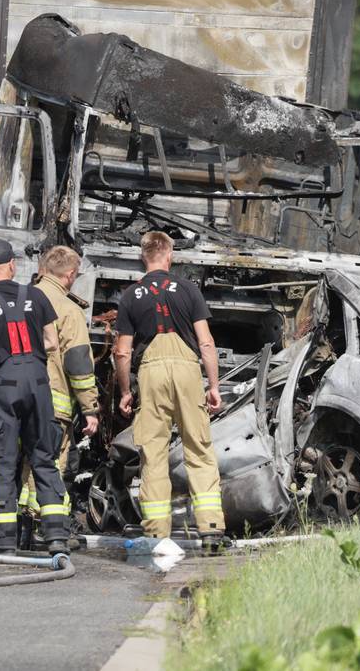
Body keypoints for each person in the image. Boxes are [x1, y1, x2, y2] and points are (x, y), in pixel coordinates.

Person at [112, 231, 226, 550]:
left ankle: (156, 534)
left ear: (143, 256)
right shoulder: (189, 289)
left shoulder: (131, 296)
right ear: (170, 255)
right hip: (188, 370)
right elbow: (205, 342)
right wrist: (213, 385)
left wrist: (125, 390)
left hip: (151, 372)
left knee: (154, 453)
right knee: (199, 448)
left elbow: (122, 352)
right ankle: (212, 529)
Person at [0, 239, 70, 555]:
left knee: (1, 460)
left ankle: (1, 540)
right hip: (38, 384)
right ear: (12, 265)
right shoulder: (36, 296)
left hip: (4, 385)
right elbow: (52, 341)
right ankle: (56, 537)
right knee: (44, 457)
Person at [19, 246, 100, 535]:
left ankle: (22, 524)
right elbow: (78, 363)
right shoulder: (68, 309)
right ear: (69, 275)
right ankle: (51, 528)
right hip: (52, 404)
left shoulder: (18, 299)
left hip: (12, 400)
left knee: (22, 461)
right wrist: (90, 408)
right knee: (53, 463)